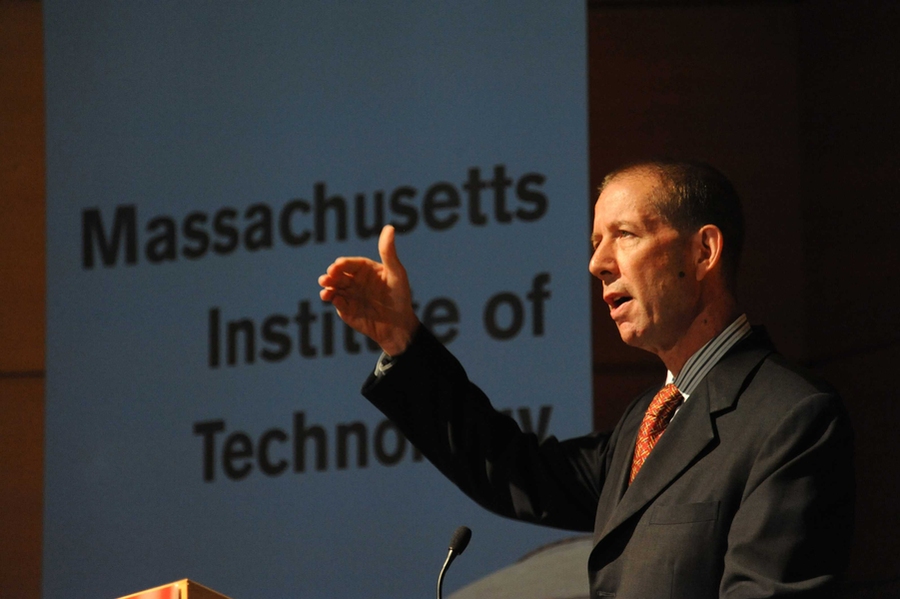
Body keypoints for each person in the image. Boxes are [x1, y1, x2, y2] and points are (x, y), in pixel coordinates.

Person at [318, 160, 855, 598]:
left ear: (704, 251)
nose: (597, 262)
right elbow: (514, 472)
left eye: (624, 235)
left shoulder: (790, 417)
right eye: (596, 241)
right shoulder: (647, 420)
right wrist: (402, 342)